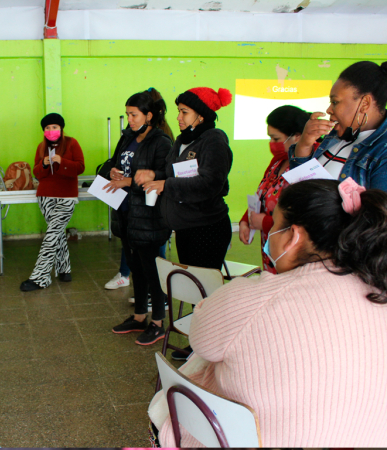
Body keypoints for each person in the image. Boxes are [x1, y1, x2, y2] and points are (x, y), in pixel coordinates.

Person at [149, 178, 387, 447]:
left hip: (258, 440)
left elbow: (201, 341)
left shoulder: (254, 297)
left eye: (273, 224)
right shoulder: (379, 291)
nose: (269, 233)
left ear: (292, 237)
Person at [135, 87, 233, 359]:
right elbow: (170, 171)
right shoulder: (182, 141)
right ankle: (198, 342)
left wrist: (166, 184)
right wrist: (153, 174)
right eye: (179, 110)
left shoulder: (213, 141)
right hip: (186, 228)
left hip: (208, 228)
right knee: (194, 288)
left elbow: (211, 183)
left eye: (184, 112)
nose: (178, 117)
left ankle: (207, 346)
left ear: (201, 116)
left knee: (205, 290)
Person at [104, 91, 172, 345]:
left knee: (151, 270)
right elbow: (112, 163)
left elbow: (164, 174)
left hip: (148, 216)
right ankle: (139, 316)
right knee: (136, 268)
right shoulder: (127, 138)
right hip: (126, 213)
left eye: (134, 114)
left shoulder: (161, 142)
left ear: (149, 115)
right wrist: (109, 170)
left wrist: (129, 181)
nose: (129, 119)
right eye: (128, 114)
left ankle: (157, 323)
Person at [291, 60, 387, 189]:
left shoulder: (383, 152)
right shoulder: (336, 135)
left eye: (335, 102)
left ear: (364, 103)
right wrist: (304, 144)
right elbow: (302, 187)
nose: (329, 110)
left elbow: (378, 208)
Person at [239, 105, 311, 273]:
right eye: (270, 138)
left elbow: (306, 219)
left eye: (276, 139)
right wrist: (245, 220)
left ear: (297, 137)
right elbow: (262, 192)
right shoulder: (278, 160)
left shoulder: (307, 167)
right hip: (271, 249)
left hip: (290, 254)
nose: (271, 144)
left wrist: (264, 223)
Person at [20, 113, 85, 292]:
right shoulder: (42, 147)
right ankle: (64, 269)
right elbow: (36, 173)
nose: (51, 130)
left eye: (54, 127)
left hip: (66, 196)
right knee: (55, 233)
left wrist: (62, 161)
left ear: (61, 128)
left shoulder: (72, 143)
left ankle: (40, 277)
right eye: (47, 128)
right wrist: (44, 164)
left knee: (51, 236)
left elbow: (80, 167)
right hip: (45, 196)